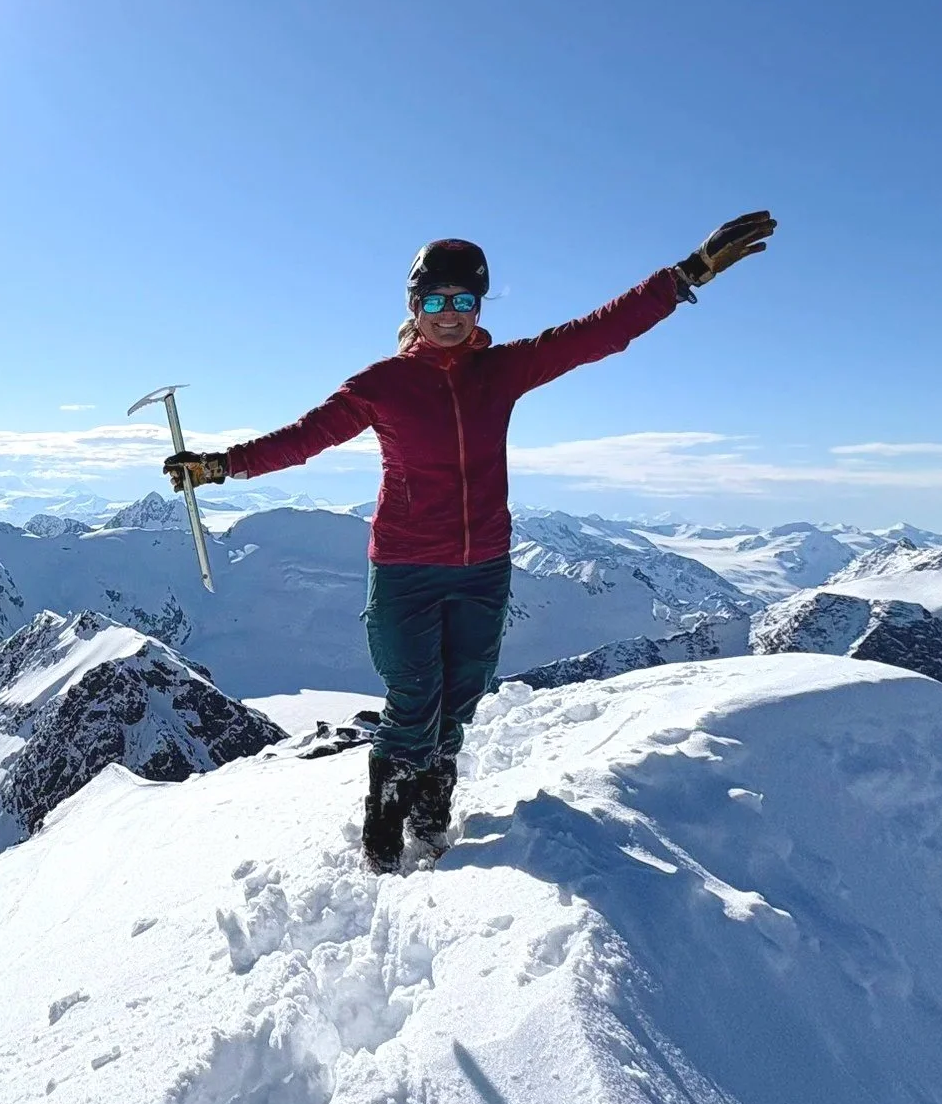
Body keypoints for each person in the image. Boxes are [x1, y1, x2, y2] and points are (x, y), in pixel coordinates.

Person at [164, 213, 776, 872]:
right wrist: (223, 464)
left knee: (458, 701)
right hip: (404, 571)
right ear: (413, 306)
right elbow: (304, 436)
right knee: (412, 703)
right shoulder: (381, 385)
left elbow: (597, 333)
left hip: (483, 569)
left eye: (463, 300)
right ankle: (381, 839)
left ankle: (431, 822)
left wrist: (685, 276)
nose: (449, 313)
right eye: (435, 300)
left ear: (479, 305)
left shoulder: (501, 370)